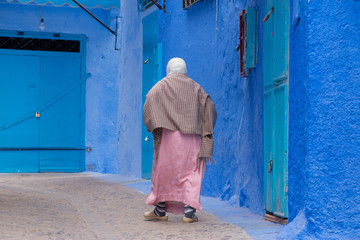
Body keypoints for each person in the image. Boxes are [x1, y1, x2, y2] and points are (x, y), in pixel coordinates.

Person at [142, 57, 217, 223]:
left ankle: (160, 210)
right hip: (192, 138)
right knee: (191, 172)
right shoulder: (196, 87)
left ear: (169, 70)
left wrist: (154, 123)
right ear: (185, 71)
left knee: (164, 172)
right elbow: (210, 108)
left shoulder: (161, 86)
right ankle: (189, 212)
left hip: (168, 138)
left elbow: (149, 103)